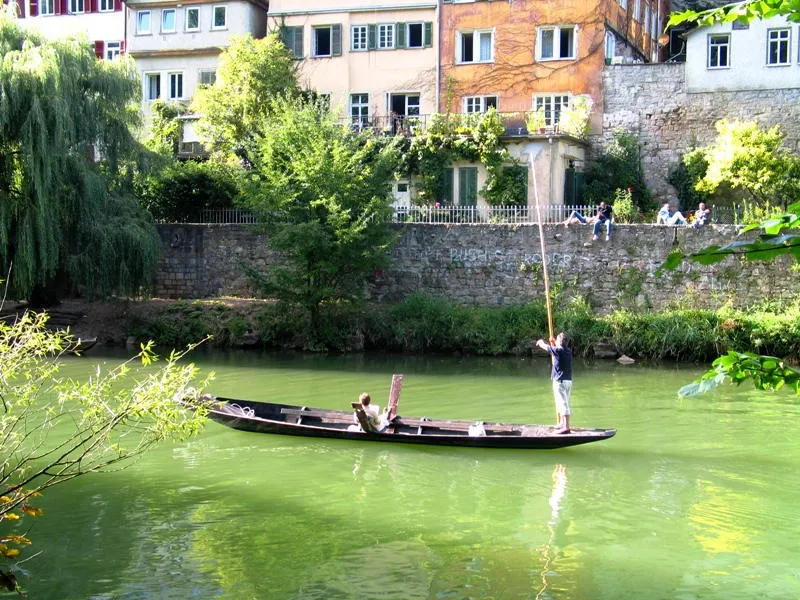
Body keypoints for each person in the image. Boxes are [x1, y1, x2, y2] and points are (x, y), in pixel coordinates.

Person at [535, 332, 573, 434]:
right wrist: (554, 341)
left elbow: (545, 347)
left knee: (563, 403)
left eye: (556, 340)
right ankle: (561, 423)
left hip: (559, 382)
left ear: (559, 342)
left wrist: (540, 342)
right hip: (568, 381)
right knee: (563, 402)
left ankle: (566, 427)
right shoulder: (568, 351)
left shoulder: (557, 351)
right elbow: (557, 347)